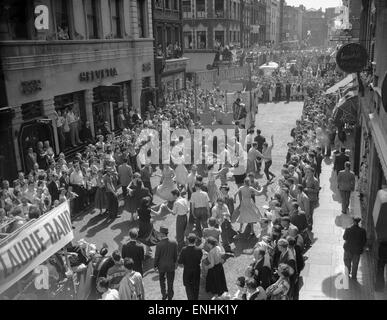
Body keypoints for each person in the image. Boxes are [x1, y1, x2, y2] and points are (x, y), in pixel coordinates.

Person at [154, 226, 178, 300]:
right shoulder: (174, 242)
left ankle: (164, 295)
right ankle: (170, 296)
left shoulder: (159, 244)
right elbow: (175, 255)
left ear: (162, 234)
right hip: (171, 265)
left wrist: (155, 266)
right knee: (170, 282)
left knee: (162, 281)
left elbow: (157, 256)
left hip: (161, 266)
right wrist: (175, 263)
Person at [178, 233, 203, 300]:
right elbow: (199, 259)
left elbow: (180, 262)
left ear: (188, 240)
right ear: (195, 241)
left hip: (187, 272)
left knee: (189, 289)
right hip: (196, 271)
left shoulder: (184, 250)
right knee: (196, 289)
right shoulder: (199, 250)